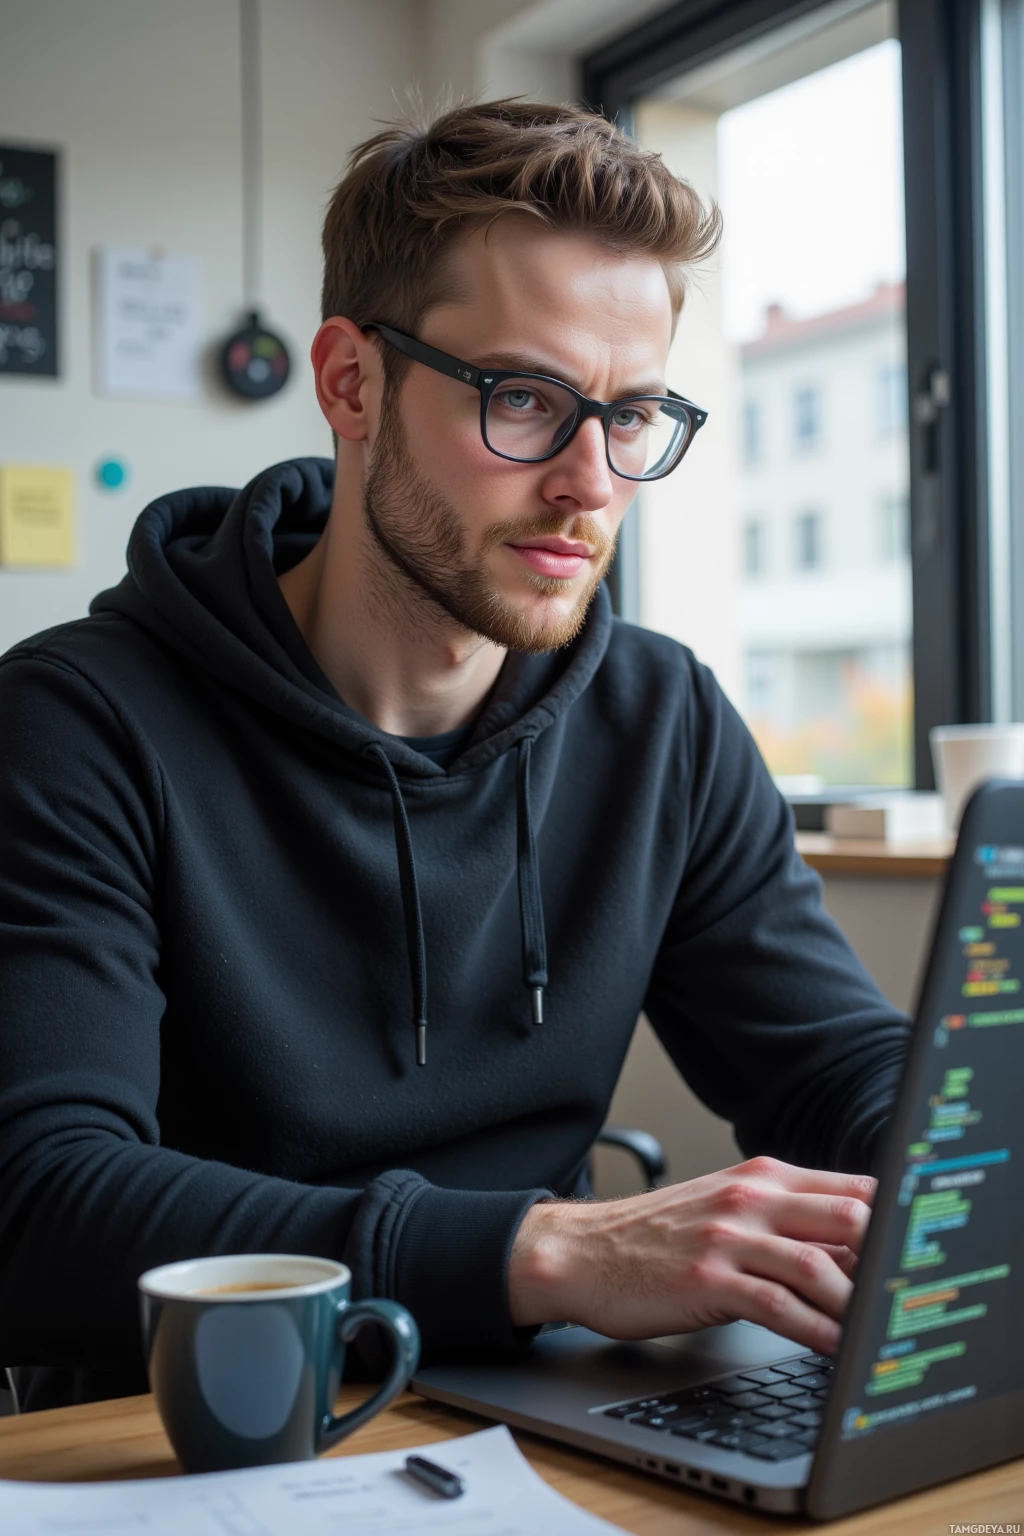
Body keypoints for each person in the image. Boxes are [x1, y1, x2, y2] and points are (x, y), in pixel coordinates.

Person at [0, 101, 909, 1413]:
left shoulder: (662, 719)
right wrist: (546, 1251)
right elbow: (36, 1200)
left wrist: (953, 1177)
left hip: (556, 1417)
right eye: (527, 399)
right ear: (351, 381)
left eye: (634, 415)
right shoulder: (76, 724)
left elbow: (833, 1069)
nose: (592, 481)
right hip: (196, 1435)